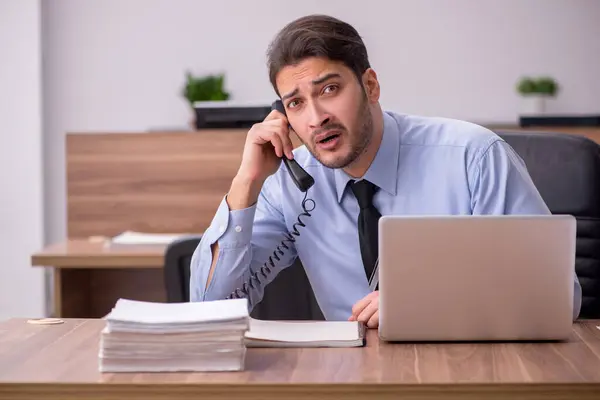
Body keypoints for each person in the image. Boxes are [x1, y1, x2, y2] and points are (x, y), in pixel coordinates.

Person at [189, 14, 582, 328]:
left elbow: (558, 295)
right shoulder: (289, 186)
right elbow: (209, 310)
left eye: (329, 90)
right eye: (295, 103)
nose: (316, 118)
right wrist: (247, 183)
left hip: (470, 371)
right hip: (350, 382)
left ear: (370, 86)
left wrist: (427, 302)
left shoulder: (474, 158)